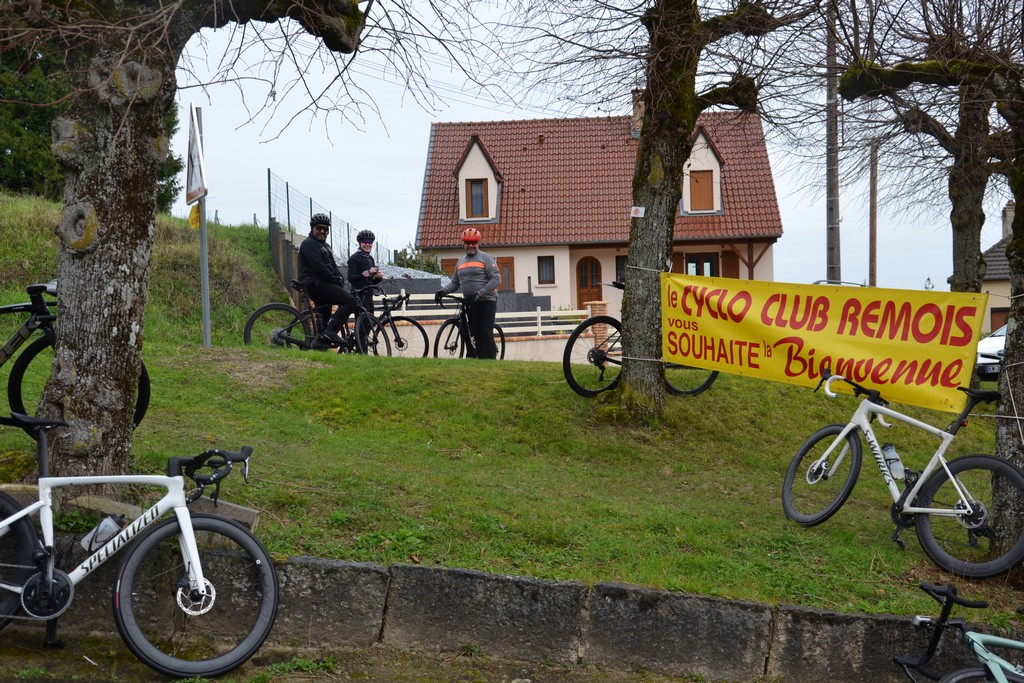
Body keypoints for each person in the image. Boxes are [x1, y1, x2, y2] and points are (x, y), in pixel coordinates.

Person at [434, 227, 502, 359]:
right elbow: (455, 283)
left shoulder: (486, 258)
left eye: (473, 242)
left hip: (487, 300)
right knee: (474, 332)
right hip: (470, 301)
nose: (470, 245)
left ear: (478, 243)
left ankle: (490, 359)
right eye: (467, 242)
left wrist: (480, 293)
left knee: (485, 331)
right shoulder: (460, 262)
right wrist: (442, 291)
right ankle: (478, 357)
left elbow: (496, 279)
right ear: (463, 244)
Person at [298, 213, 358, 351]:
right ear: (312, 228)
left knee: (325, 322)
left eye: (325, 229)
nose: (322, 231)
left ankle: (321, 343)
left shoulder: (325, 246)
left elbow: (332, 265)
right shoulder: (308, 244)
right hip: (316, 284)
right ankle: (330, 333)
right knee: (351, 302)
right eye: (319, 228)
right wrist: (333, 279)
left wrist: (339, 277)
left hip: (324, 284)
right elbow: (318, 266)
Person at [347, 228, 383, 313]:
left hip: (369, 294)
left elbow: (370, 281)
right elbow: (350, 278)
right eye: (365, 242)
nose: (367, 244)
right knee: (363, 320)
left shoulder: (370, 258)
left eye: (370, 242)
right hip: (359, 295)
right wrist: (365, 274)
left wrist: (378, 278)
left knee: (371, 319)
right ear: (360, 243)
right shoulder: (354, 258)